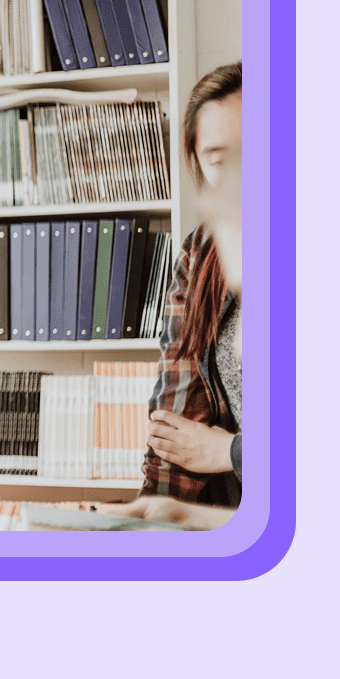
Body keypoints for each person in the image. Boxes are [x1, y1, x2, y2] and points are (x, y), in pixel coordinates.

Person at [139, 62, 244, 506]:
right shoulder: (202, 254)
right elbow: (175, 430)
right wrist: (149, 520)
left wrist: (230, 451)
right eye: (220, 161)